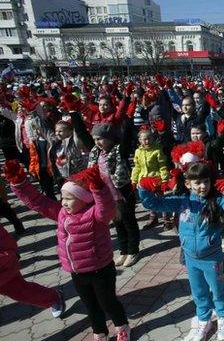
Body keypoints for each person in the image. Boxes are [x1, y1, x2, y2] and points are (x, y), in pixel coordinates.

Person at [6, 162, 130, 341]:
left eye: (69, 198)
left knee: (108, 303)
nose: (63, 202)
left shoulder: (96, 214)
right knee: (91, 305)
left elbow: (107, 207)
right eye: (62, 198)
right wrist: (20, 184)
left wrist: (98, 187)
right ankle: (100, 332)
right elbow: (39, 203)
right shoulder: (62, 213)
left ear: (85, 198)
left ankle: (122, 327)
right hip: (77, 272)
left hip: (100, 270)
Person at [139, 162, 224, 341]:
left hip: (212, 259)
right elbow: (154, 203)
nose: (202, 186)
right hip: (190, 258)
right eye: (197, 183)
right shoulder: (182, 202)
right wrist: (143, 187)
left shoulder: (216, 201)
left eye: (206, 181)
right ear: (188, 184)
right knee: (198, 293)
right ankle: (204, 321)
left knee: (218, 291)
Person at [88, 122, 140, 267]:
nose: (97, 142)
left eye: (100, 139)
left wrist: (128, 118)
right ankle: (124, 251)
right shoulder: (95, 152)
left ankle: (133, 251)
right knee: (117, 224)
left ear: (110, 138)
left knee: (128, 223)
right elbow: (82, 134)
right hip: (107, 195)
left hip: (122, 194)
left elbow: (127, 135)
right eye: (95, 139)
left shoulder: (118, 150)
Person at [130, 128, 168, 229]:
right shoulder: (138, 151)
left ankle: (165, 218)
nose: (147, 141)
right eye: (144, 139)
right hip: (143, 180)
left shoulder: (157, 150)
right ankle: (153, 217)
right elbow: (137, 167)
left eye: (149, 139)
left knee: (160, 198)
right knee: (148, 200)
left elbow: (162, 166)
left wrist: (164, 180)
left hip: (156, 179)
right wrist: (133, 181)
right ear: (140, 140)